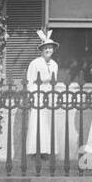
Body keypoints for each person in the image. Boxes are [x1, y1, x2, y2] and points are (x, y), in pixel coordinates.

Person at [25, 29, 60, 157]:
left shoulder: (54, 64)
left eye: (50, 48)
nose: (48, 50)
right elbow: (29, 81)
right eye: (45, 48)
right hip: (37, 94)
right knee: (36, 122)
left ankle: (47, 150)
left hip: (49, 95)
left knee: (48, 122)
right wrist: (33, 95)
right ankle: (36, 151)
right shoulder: (35, 63)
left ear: (53, 50)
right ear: (41, 50)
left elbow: (54, 82)